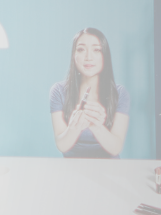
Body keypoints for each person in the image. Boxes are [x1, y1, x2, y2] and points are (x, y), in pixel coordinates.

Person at [49, 27, 130, 158]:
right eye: (81, 49)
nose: (88, 57)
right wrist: (74, 128)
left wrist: (96, 126)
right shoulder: (58, 91)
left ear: (105, 55)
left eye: (96, 50)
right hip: (72, 169)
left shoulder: (119, 93)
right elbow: (61, 145)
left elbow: (116, 147)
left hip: (110, 169)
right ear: (74, 55)